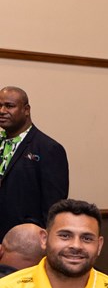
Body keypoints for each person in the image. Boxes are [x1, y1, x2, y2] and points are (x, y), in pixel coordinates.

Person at [0, 86, 69, 241]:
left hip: (25, 242)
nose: (2, 111)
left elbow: (54, 206)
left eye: (9, 106)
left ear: (26, 110)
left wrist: (44, 243)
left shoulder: (48, 148)